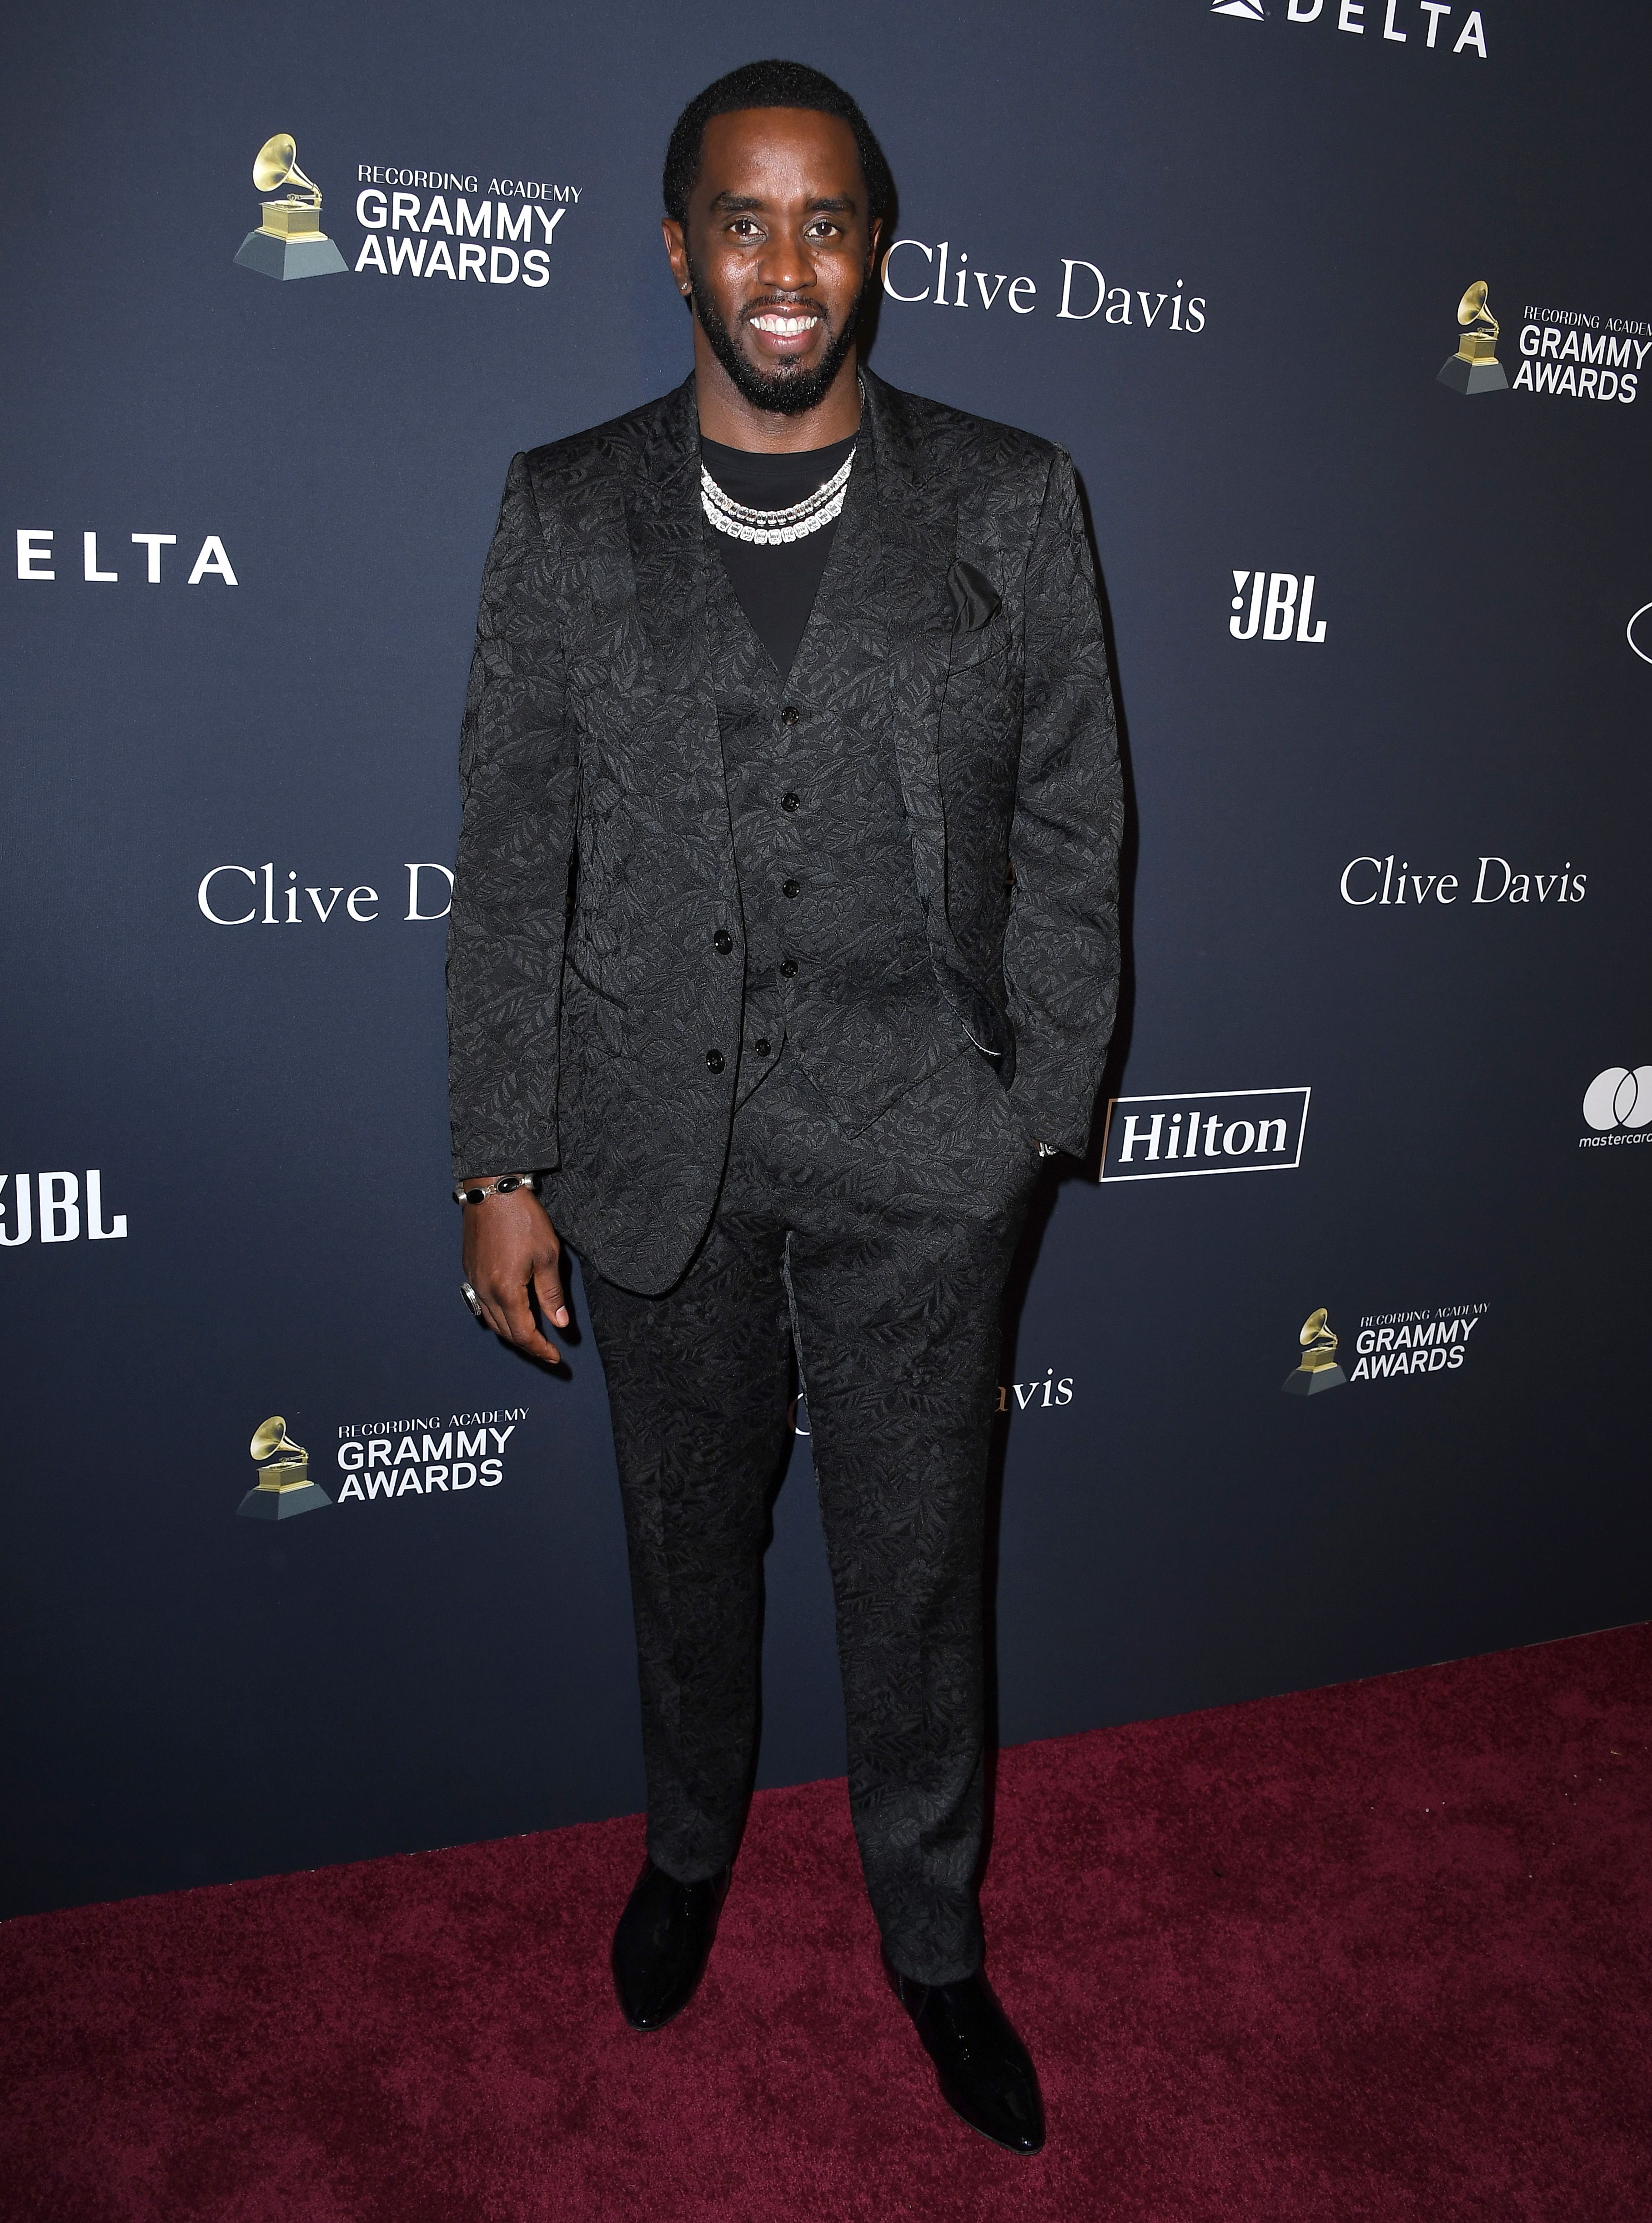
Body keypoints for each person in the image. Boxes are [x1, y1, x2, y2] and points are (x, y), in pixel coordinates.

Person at [447, 57, 1120, 2154]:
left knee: (919, 1576)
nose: (786, 263)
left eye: (826, 220)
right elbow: (512, 855)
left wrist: (1032, 1123)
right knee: (687, 1550)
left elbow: (1075, 820)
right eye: (743, 218)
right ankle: (686, 1850)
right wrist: (499, 1156)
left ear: (878, 251)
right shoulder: (564, 510)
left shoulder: (1013, 498)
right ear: (678, 248)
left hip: (925, 1154)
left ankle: (935, 1938)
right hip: (662, 1147)